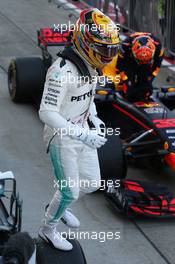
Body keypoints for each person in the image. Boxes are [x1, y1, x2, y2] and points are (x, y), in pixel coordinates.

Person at [38, 8, 120, 251]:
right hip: (61, 137)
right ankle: (47, 229)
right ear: (86, 43)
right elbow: (46, 112)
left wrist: (93, 118)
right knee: (69, 190)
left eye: (111, 49)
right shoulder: (61, 71)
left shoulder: (90, 65)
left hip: (83, 131)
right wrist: (82, 133)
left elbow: (86, 96)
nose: (108, 56)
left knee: (93, 182)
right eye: (103, 49)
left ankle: (59, 206)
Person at [116, 32, 164, 102]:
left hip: (147, 64)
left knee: (147, 82)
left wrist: (151, 77)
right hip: (129, 60)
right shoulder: (124, 46)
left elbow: (157, 64)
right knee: (129, 84)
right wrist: (126, 79)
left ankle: (145, 94)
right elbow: (120, 64)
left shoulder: (158, 46)